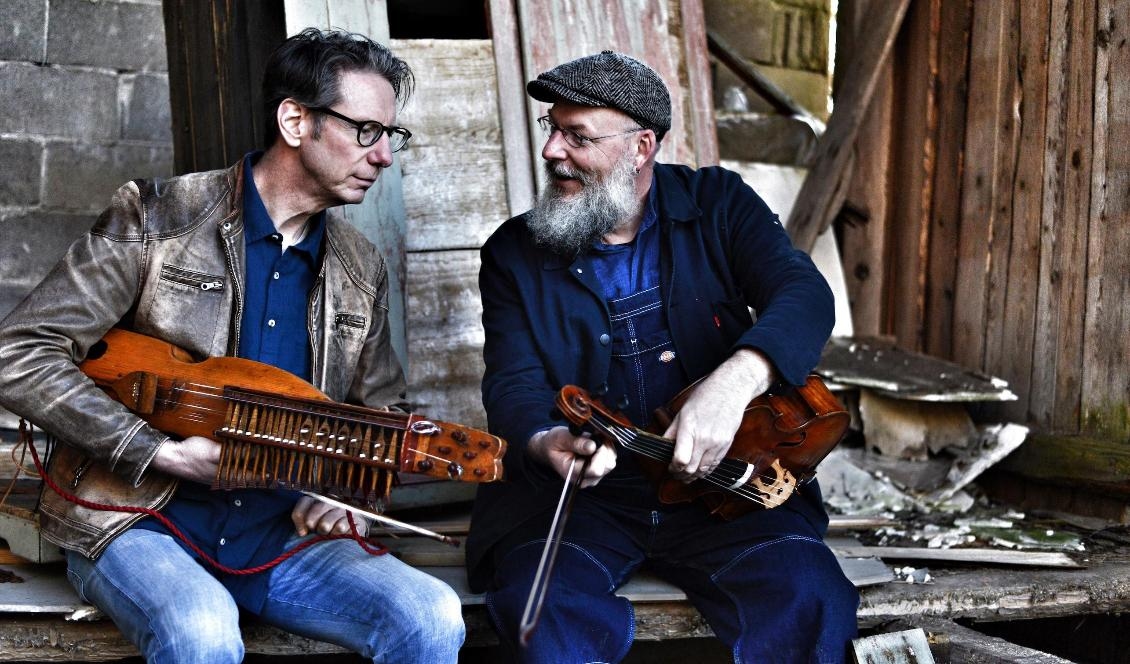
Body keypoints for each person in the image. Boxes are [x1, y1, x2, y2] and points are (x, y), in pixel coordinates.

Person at [0, 28, 464, 663]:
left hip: (279, 533)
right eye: (366, 131)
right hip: (137, 520)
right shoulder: (157, 217)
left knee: (430, 615)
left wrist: (351, 495)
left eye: (391, 135)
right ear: (295, 121)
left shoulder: (362, 267)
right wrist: (160, 452)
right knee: (201, 628)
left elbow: (381, 412)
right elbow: (19, 353)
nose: (383, 155)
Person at [466, 51, 859, 663]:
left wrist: (736, 382)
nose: (551, 151)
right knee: (540, 614)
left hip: (723, 490)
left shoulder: (719, 203)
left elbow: (804, 294)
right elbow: (514, 383)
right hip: (584, 504)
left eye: (577, 136)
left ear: (642, 146)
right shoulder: (512, 252)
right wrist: (545, 442)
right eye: (551, 128)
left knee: (808, 597)